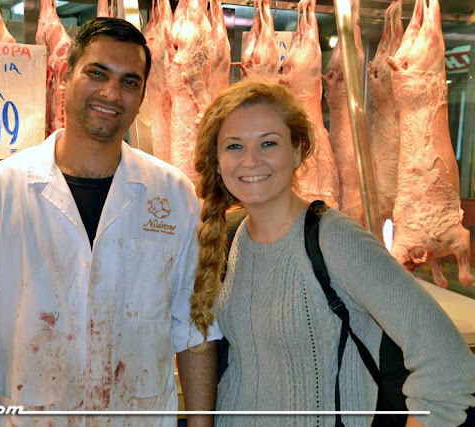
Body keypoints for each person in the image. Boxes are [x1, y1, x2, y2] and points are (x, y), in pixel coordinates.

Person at [0, 17, 221, 427]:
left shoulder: (173, 196)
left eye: (129, 82)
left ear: (141, 96)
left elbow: (195, 331)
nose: (111, 93)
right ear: (66, 76)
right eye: (96, 73)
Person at [189, 80, 475, 427]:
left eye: (268, 143)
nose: (250, 160)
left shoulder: (335, 239)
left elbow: (448, 362)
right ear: (217, 162)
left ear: (297, 152)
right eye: (234, 146)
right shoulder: (229, 239)